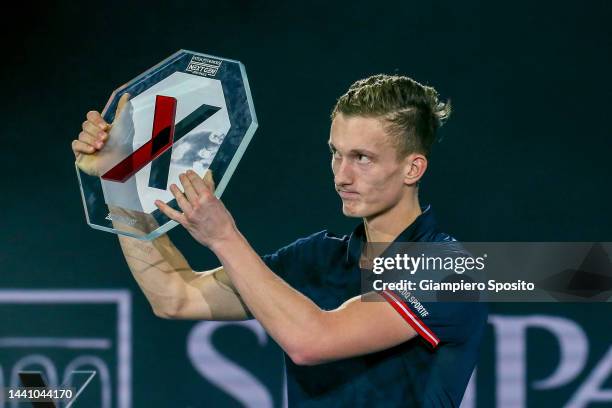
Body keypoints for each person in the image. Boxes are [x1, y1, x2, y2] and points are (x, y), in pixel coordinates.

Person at [72, 74, 487, 407]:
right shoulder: (316, 257)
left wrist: (224, 236)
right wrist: (119, 179)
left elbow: (312, 341)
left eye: (362, 158)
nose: (341, 175)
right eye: (335, 153)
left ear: (413, 168)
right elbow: (174, 295)